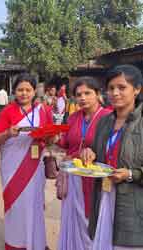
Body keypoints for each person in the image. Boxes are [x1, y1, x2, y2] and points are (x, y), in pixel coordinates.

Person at [81, 64, 143, 249]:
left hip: (133, 209)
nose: (115, 93)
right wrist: (89, 153)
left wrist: (131, 174)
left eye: (122, 87)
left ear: (137, 89)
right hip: (103, 200)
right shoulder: (104, 121)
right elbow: (97, 152)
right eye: (111, 88)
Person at [0, 73, 53, 250]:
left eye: (28, 89)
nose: (24, 93)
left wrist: (51, 137)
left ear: (34, 91)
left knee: (34, 203)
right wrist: (8, 133)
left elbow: (51, 139)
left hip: (35, 167)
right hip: (12, 166)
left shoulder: (44, 110)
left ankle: (36, 242)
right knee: (15, 205)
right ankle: (15, 243)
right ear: (14, 91)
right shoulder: (7, 111)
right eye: (20, 89)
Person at [56, 77, 111, 250]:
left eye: (88, 93)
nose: (83, 98)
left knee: (91, 223)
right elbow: (65, 143)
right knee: (73, 222)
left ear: (98, 94)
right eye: (78, 94)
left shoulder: (108, 117)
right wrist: (53, 137)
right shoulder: (73, 118)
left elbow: (112, 148)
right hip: (73, 179)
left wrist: (92, 153)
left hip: (94, 180)